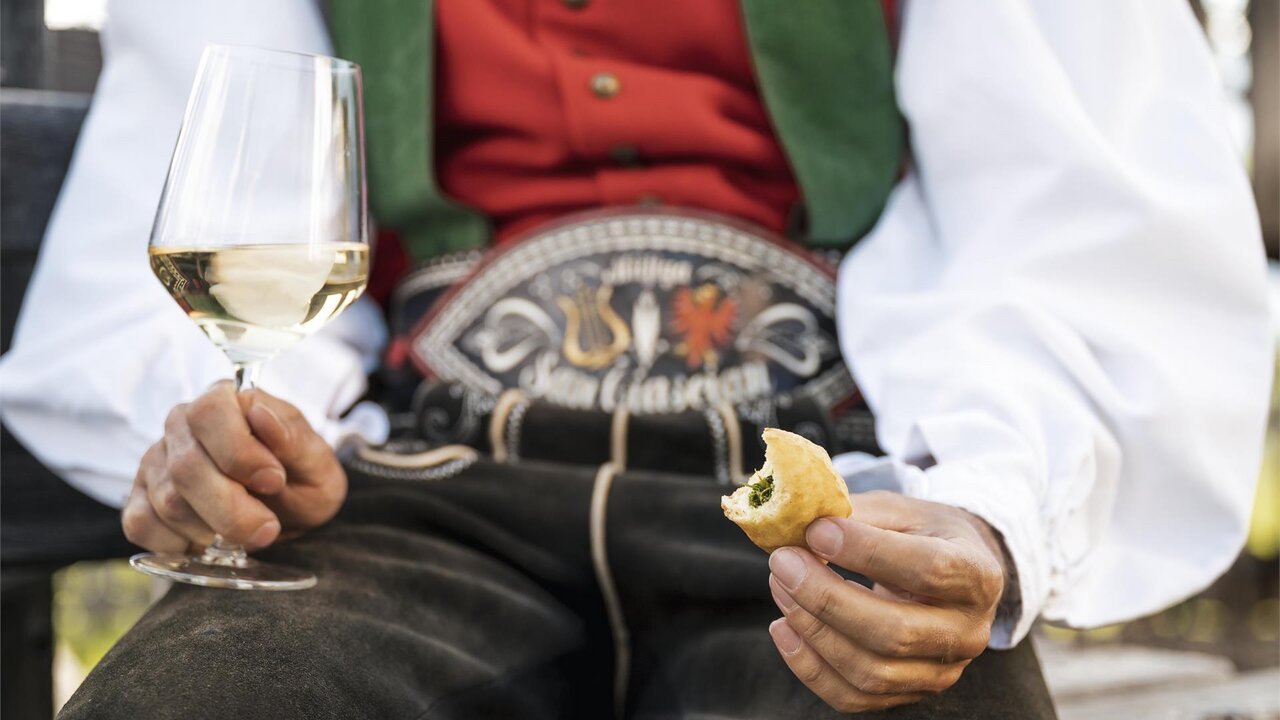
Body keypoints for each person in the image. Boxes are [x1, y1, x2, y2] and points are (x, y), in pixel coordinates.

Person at [0, 0, 1271, 718]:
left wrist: (988, 505)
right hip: (424, 495)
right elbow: (204, 186)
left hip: (826, 508)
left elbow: (1074, 216)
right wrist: (246, 437)